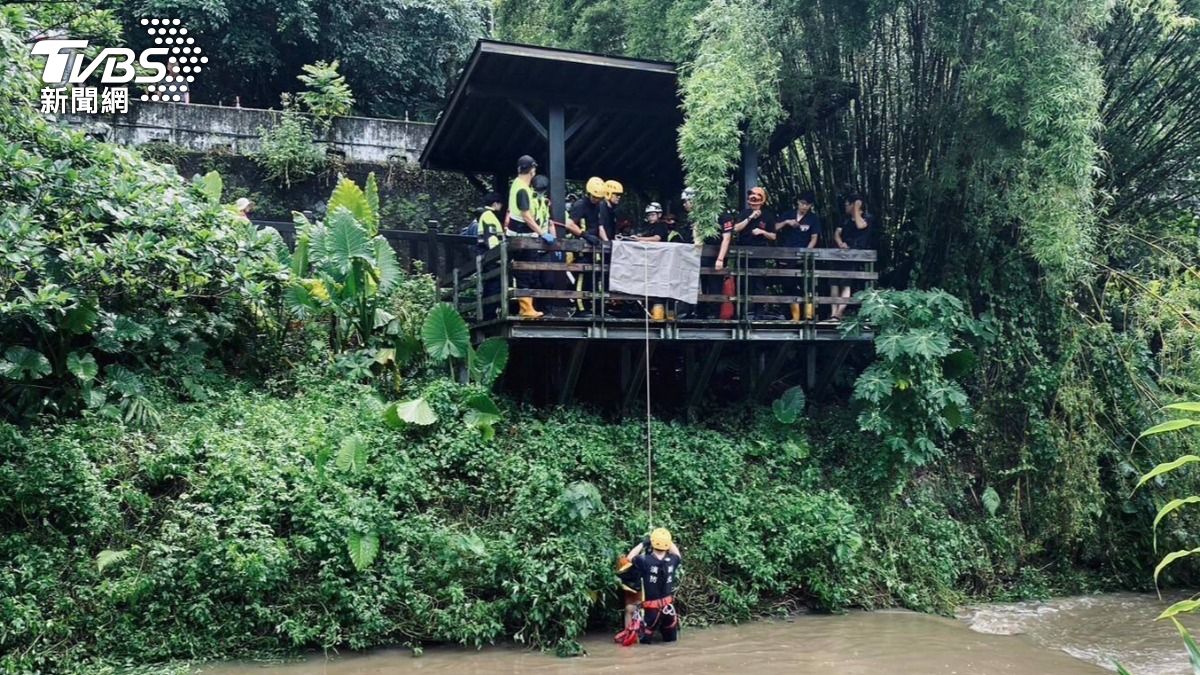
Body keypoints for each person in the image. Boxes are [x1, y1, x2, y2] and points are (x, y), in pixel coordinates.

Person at [506, 154, 554, 318]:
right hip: (521, 236)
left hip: (524, 236)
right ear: (532, 170)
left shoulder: (519, 185)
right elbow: (526, 216)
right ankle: (526, 309)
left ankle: (528, 307)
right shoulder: (522, 189)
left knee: (529, 272)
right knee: (525, 273)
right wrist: (542, 233)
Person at [625, 528, 682, 644]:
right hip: (668, 610)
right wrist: (667, 541)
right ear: (668, 544)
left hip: (652, 611)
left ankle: (629, 634)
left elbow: (629, 557)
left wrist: (644, 543)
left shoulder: (644, 560)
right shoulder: (673, 560)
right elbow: (677, 553)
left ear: (652, 543)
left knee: (644, 643)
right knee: (671, 642)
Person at [774, 190, 822, 322]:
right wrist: (786, 223)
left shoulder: (813, 219)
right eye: (802, 203)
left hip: (804, 256)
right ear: (798, 202)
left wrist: (806, 252)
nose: (804, 207)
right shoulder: (788, 214)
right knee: (788, 285)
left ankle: (808, 316)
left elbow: (814, 238)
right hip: (787, 255)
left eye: (807, 204)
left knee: (807, 286)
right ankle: (793, 317)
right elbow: (774, 228)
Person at [732, 187, 775, 319]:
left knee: (758, 283)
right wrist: (750, 217)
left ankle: (759, 314)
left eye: (757, 201)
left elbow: (773, 236)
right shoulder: (744, 213)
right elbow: (736, 228)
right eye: (752, 201)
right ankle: (739, 313)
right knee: (741, 282)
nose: (754, 203)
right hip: (743, 251)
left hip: (759, 253)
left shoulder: (768, 216)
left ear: (762, 202)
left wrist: (762, 232)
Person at [566, 177, 607, 316]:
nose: (597, 199)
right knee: (582, 276)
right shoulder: (580, 205)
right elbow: (569, 224)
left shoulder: (600, 206)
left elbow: (600, 226)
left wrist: (607, 243)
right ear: (589, 193)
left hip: (594, 247)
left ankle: (593, 308)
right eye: (595, 197)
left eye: (599, 197)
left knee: (594, 277)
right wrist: (584, 235)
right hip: (582, 247)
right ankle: (580, 308)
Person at [831, 193, 875, 321]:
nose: (845, 207)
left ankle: (839, 313)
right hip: (840, 254)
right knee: (833, 283)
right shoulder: (844, 219)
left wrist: (856, 207)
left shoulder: (868, 218)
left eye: (847, 204)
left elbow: (860, 226)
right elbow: (837, 233)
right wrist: (840, 243)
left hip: (855, 255)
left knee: (846, 283)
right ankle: (833, 313)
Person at [634, 202, 669, 320]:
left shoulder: (661, 226)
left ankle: (659, 313)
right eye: (648, 215)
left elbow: (657, 238)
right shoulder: (648, 227)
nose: (650, 217)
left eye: (653, 215)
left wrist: (639, 239)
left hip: (660, 261)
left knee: (658, 287)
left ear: (659, 214)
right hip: (649, 261)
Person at [476, 192, 504, 318]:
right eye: (500, 203)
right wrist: (497, 256)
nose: (501, 206)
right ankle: (489, 314)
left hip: (487, 255)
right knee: (494, 284)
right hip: (491, 256)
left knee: (490, 284)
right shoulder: (489, 216)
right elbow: (491, 239)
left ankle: (489, 312)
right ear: (495, 204)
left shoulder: (485, 215)